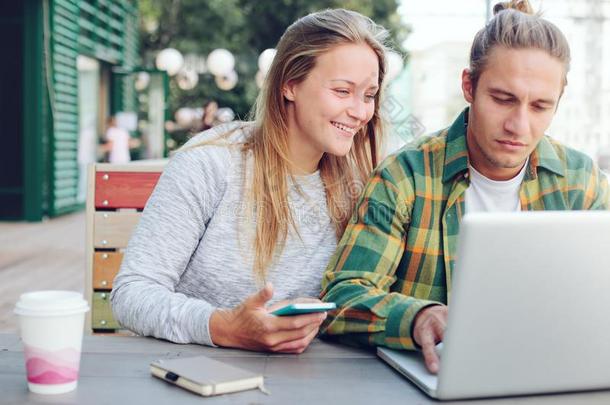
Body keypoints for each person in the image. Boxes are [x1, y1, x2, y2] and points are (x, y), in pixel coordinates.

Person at [320, 0, 609, 373]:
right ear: (468, 86)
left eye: (540, 107)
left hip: (554, 374)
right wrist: (417, 317)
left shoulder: (581, 182)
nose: (519, 126)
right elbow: (342, 296)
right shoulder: (405, 176)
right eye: (503, 100)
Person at [111, 9, 390, 353]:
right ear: (290, 84)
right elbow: (132, 293)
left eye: (368, 95)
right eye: (343, 91)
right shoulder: (210, 164)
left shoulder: (360, 187)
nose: (361, 112)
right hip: (194, 370)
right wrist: (224, 327)